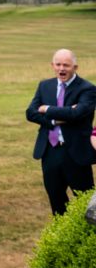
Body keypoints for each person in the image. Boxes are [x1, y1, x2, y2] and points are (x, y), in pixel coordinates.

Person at [26, 49, 96, 215]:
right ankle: (62, 236)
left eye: (66, 65)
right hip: (50, 151)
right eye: (58, 64)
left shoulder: (88, 89)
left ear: (75, 67)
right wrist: (57, 118)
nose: (61, 68)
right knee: (56, 199)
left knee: (85, 202)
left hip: (76, 153)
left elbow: (77, 114)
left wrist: (47, 109)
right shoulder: (45, 86)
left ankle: (87, 238)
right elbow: (30, 113)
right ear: (52, 65)